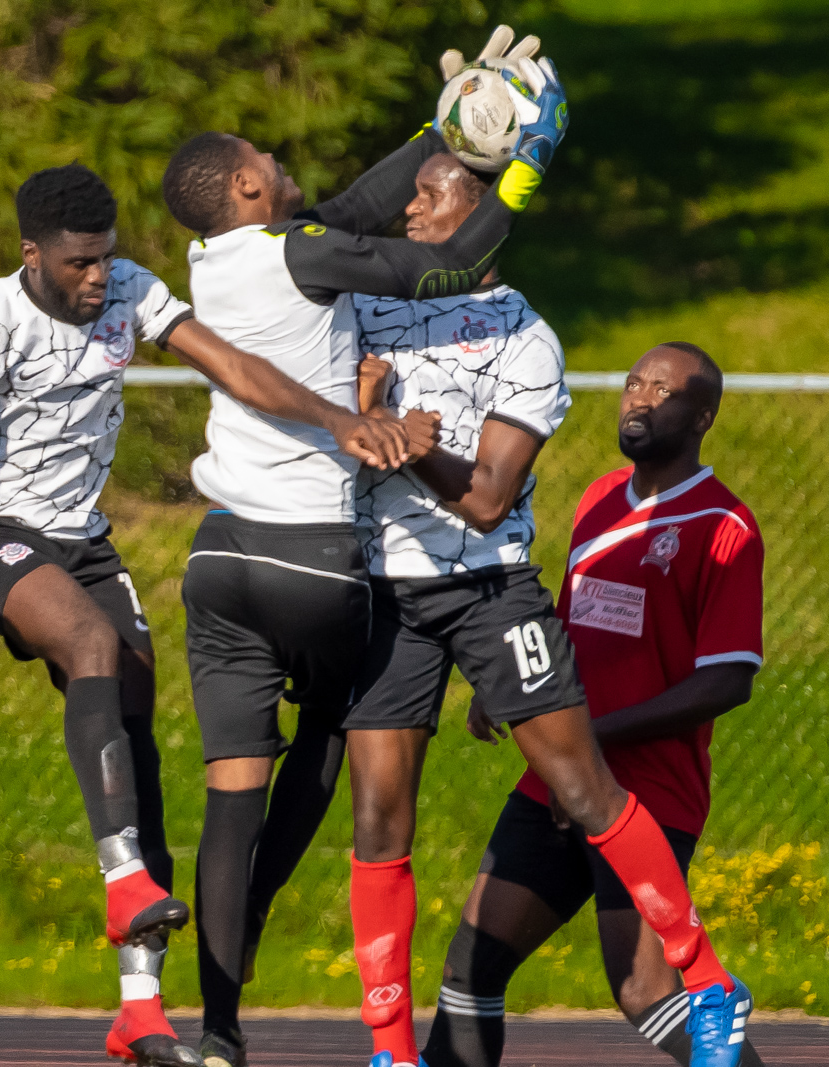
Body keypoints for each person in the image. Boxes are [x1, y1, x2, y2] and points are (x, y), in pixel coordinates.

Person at [0, 164, 404, 1067]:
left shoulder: (133, 289)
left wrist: (336, 420)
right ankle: (122, 884)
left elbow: (232, 365)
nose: (97, 277)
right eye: (78, 264)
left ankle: (139, 1009)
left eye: (106, 258)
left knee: (138, 737)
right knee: (89, 641)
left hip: (84, 542)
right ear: (32, 254)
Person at [157, 30, 568, 1067]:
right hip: (307, 554)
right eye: (269, 160)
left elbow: (346, 213)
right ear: (250, 183)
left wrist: (440, 127)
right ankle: (303, 961)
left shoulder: (222, 262)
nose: (289, 168)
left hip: (215, 561)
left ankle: (213, 1023)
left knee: (227, 794)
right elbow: (452, 260)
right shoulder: (298, 253)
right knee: (335, 744)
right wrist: (525, 162)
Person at [424, 343, 765, 1067]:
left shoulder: (723, 525)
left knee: (646, 989)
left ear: (703, 415)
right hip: (553, 780)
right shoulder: (598, 497)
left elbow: (728, 680)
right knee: (470, 965)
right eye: (634, 382)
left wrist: (591, 741)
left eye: (663, 391)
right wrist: (510, 683)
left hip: (646, 794)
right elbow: (567, 623)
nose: (639, 399)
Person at [341, 151, 572, 1067]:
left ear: (479, 218)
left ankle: (705, 979)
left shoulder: (525, 333)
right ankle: (390, 1052)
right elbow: (322, 432)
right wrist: (364, 417)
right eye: (412, 192)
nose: (409, 208)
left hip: (487, 581)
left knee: (581, 787)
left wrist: (410, 450)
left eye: (433, 194)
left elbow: (485, 499)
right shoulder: (366, 312)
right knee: (376, 817)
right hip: (386, 588)